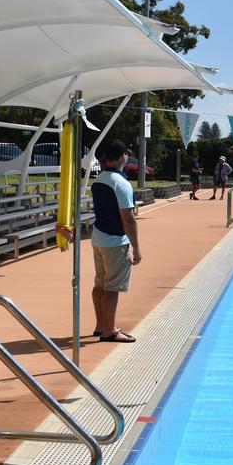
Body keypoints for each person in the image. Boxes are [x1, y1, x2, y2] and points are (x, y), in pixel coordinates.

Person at [90, 139, 141, 343]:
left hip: (98, 238)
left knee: (100, 283)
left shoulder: (99, 179)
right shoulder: (121, 183)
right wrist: (136, 248)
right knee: (112, 287)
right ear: (123, 158)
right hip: (115, 241)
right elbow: (128, 219)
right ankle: (110, 330)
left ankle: (101, 324)